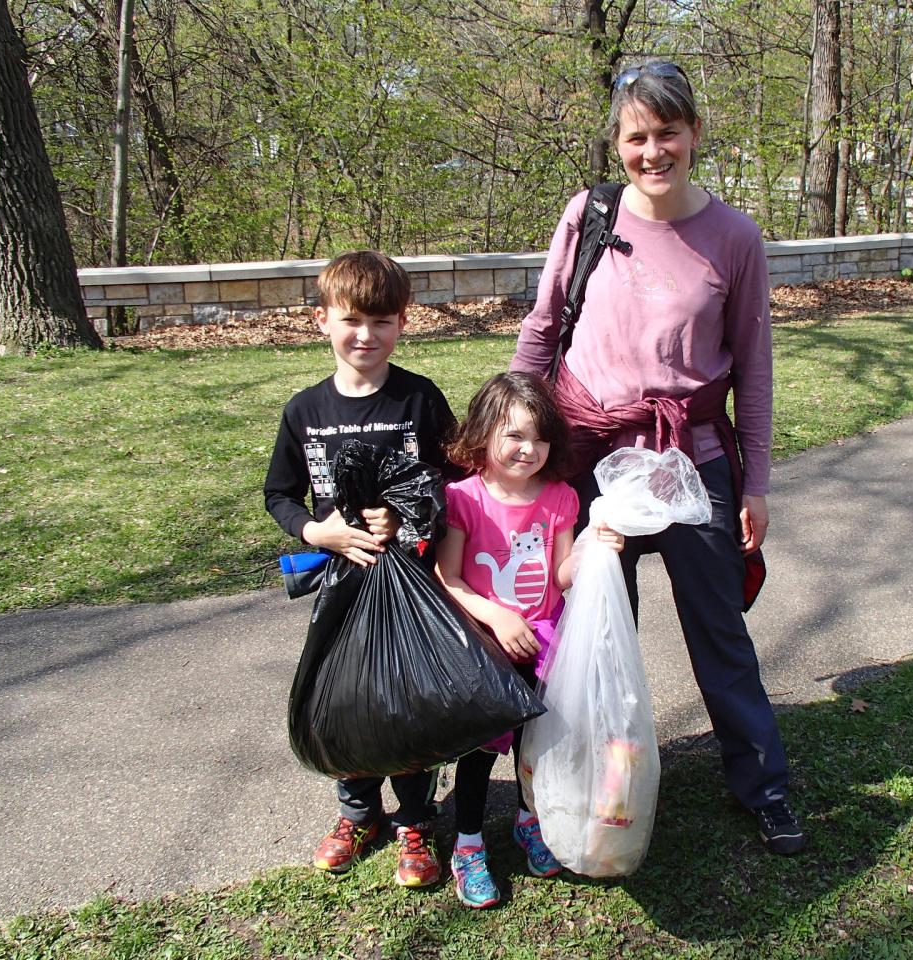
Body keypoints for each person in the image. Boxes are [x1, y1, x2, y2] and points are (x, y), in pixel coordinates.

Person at [510, 60, 808, 855]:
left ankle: (764, 786)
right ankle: (595, 785)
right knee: (595, 629)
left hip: (690, 460)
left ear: (695, 134)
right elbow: (543, 330)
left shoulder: (735, 239)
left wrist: (758, 483)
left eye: (667, 133)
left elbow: (754, 366)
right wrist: (508, 434)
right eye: (636, 136)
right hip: (587, 455)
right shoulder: (589, 215)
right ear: (618, 142)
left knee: (719, 627)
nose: (653, 151)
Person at [264, 250, 456, 888]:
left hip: (407, 582)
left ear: (403, 322)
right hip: (339, 586)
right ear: (322, 320)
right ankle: (358, 814)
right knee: (345, 698)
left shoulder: (419, 399)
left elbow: (452, 478)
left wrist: (406, 518)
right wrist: (315, 530)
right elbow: (280, 495)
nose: (365, 336)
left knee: (406, 702)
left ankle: (417, 822)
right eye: (351, 320)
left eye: (382, 321)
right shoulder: (305, 410)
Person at [435, 372, 623, 907]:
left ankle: (529, 819)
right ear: (482, 433)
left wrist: (593, 549)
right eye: (514, 436)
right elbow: (448, 580)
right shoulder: (462, 498)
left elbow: (563, 573)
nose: (528, 449)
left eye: (539, 438)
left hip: (544, 645)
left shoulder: (561, 497)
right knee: (478, 751)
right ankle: (468, 845)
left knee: (534, 744)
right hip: (483, 647)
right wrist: (497, 616)